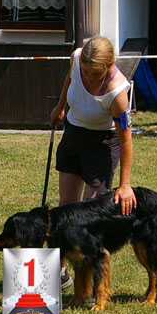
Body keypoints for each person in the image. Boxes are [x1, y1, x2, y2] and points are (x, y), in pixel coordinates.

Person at [49, 36, 136, 288]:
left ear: (109, 67)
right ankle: (59, 274)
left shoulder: (118, 93)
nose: (87, 78)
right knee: (65, 208)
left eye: (94, 74)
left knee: (89, 213)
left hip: (102, 143)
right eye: (85, 72)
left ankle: (87, 284)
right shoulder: (77, 58)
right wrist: (60, 106)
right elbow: (70, 78)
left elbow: (127, 140)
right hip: (74, 133)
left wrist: (125, 184)